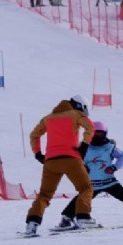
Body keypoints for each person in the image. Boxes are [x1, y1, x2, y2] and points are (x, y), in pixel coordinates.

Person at [54, 121, 123, 231]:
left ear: (105, 134)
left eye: (100, 133)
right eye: (94, 133)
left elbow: (122, 156)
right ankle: (66, 219)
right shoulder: (84, 147)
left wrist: (115, 167)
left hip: (108, 181)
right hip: (92, 183)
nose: (97, 136)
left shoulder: (110, 147)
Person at [23, 95, 97, 237]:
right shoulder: (76, 114)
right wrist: (85, 145)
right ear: (80, 106)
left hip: (51, 162)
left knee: (44, 194)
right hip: (72, 159)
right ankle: (83, 218)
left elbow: (34, 135)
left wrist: (38, 153)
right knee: (86, 188)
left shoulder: (48, 118)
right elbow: (90, 126)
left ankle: (32, 223)